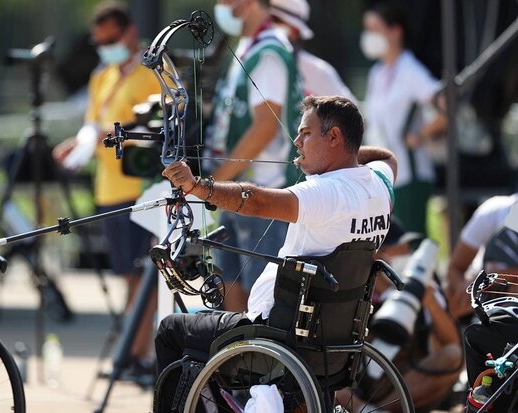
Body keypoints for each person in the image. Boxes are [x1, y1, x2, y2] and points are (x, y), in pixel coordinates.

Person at [155, 95, 397, 408]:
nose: (297, 142)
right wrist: (339, 156)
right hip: (333, 344)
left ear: (334, 137)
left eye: (306, 134)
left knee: (172, 329)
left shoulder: (326, 192)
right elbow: (389, 157)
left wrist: (198, 187)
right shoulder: (379, 184)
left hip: (276, 336)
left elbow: (256, 200)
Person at [52, 2, 160, 379]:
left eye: (111, 39)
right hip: (108, 187)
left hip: (140, 186)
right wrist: (76, 143)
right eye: (99, 41)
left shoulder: (150, 71)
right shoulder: (102, 75)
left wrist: (106, 133)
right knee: (126, 275)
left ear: (129, 33)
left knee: (142, 274)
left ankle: (136, 355)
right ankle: (131, 353)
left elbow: (151, 122)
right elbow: (93, 124)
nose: (105, 47)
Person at [206, 0, 304, 311]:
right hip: (238, 191)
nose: (219, 6)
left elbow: (264, 127)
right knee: (230, 292)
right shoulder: (249, 46)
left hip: (263, 196)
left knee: (262, 302)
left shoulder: (269, 50)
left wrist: (213, 183)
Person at [337, 219, 462, 412]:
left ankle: (380, 410)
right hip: (355, 381)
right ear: (378, 256)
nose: (406, 252)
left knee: (451, 356)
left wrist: (427, 299)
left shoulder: (422, 283)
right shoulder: (351, 286)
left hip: (404, 377)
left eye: (407, 246)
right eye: (399, 247)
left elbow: (452, 345)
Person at [361, 0, 446, 234]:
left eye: (375, 30)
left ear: (395, 32)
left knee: (412, 245)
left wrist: (422, 134)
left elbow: (448, 105)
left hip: (410, 175)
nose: (369, 36)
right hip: (382, 176)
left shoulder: (410, 69)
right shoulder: (376, 72)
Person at [445, 193, 518, 319]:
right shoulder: (495, 210)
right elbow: (456, 267)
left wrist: (498, 279)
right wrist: (464, 294)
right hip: (487, 318)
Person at [269, 0, 357, 102]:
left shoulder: (318, 72)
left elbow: (353, 114)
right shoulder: (250, 60)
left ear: (296, 31)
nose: (269, 26)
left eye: (276, 20)